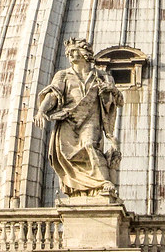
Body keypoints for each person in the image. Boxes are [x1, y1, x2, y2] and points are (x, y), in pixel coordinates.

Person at [35, 38, 123, 198]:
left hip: (91, 119)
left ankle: (102, 183)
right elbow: (53, 95)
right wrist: (41, 110)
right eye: (68, 53)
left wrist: (110, 91)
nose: (70, 55)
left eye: (74, 51)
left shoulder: (102, 76)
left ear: (85, 53)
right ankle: (82, 189)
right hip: (69, 120)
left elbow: (118, 101)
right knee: (69, 153)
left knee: (90, 145)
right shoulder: (63, 75)